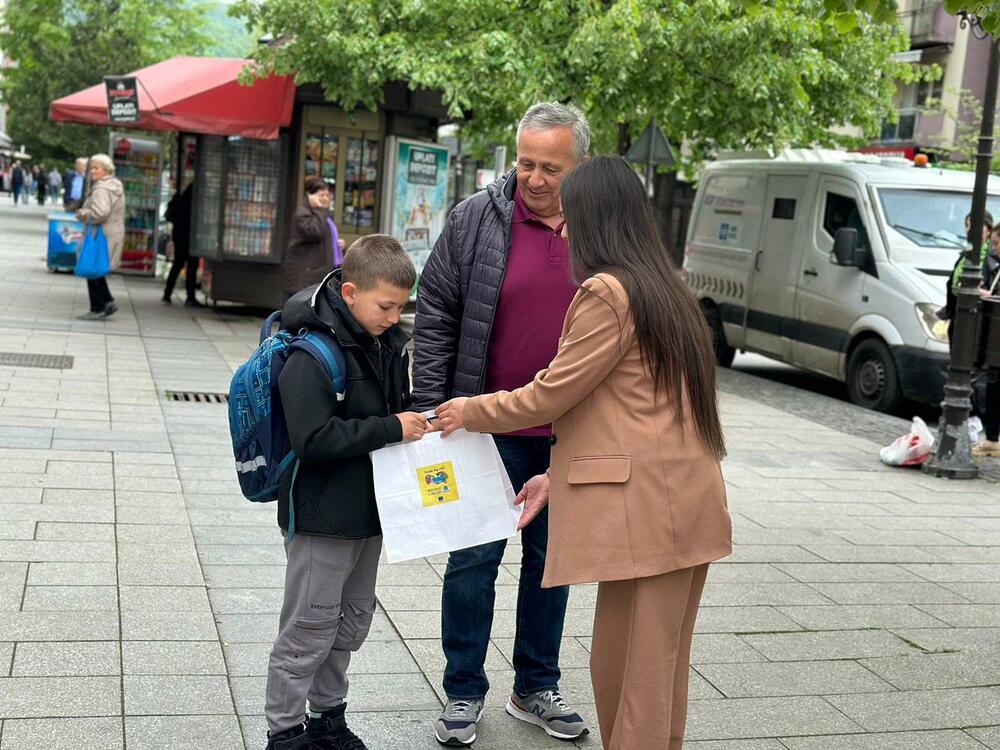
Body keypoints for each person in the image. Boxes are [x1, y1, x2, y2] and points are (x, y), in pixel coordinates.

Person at [435, 155, 734, 750]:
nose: (563, 227)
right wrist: (555, 475)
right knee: (648, 671)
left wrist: (470, 409)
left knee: (634, 680)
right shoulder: (663, 286)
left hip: (654, 513)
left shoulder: (607, 292)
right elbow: (632, 410)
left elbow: (552, 393)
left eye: (571, 214)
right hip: (676, 506)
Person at [413, 101, 590, 746]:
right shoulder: (475, 219)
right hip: (480, 424)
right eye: (525, 162)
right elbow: (434, 312)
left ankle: (535, 684)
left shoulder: (599, 231)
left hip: (566, 433)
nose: (534, 178)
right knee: (473, 561)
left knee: (552, 564)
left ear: (580, 167)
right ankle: (462, 690)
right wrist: (433, 408)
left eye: (551, 167)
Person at [263, 235, 428, 750]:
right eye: (386, 306)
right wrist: (391, 428)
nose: (395, 316)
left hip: (369, 511)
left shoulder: (382, 341)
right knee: (309, 625)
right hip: (320, 514)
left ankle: (328, 717)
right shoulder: (314, 351)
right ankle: (285, 730)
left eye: (402, 306)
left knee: (349, 621)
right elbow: (310, 439)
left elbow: (388, 413)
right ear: (351, 291)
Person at [75, 154, 125, 320]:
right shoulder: (115, 185)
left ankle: (97, 308)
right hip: (110, 233)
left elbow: (100, 213)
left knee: (92, 267)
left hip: (99, 234)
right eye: (92, 168)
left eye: (96, 168)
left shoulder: (101, 188)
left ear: (106, 170)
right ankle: (108, 301)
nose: (92, 171)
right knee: (97, 268)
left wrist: (83, 213)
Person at [283, 176, 345, 300]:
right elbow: (316, 232)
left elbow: (325, 236)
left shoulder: (321, 213)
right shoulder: (303, 213)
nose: (325, 199)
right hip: (305, 274)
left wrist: (337, 244)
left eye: (327, 195)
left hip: (316, 272)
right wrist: (321, 209)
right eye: (321, 195)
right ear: (309, 195)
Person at [973, 224, 1000, 458]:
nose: (993, 248)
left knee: (995, 389)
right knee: (992, 387)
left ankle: (993, 438)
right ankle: (992, 438)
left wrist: (988, 296)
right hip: (994, 341)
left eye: (996, 243)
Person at [162, 183, 203, 306]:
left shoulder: (181, 201)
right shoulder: (193, 205)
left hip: (179, 239)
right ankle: (190, 296)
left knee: (177, 265)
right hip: (189, 240)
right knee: (191, 267)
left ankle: (167, 293)